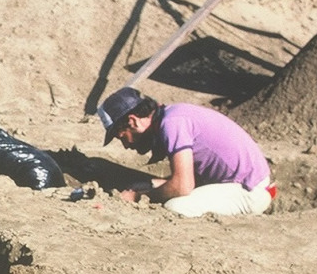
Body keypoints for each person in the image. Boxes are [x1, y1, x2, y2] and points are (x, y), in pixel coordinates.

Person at [97, 87, 275, 217]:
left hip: (249, 193)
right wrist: (158, 184)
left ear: (133, 121)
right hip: (243, 186)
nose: (127, 146)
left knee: (176, 207)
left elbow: (182, 186)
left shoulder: (172, 124)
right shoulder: (173, 115)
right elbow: (189, 178)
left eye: (122, 137)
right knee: (159, 187)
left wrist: (137, 197)